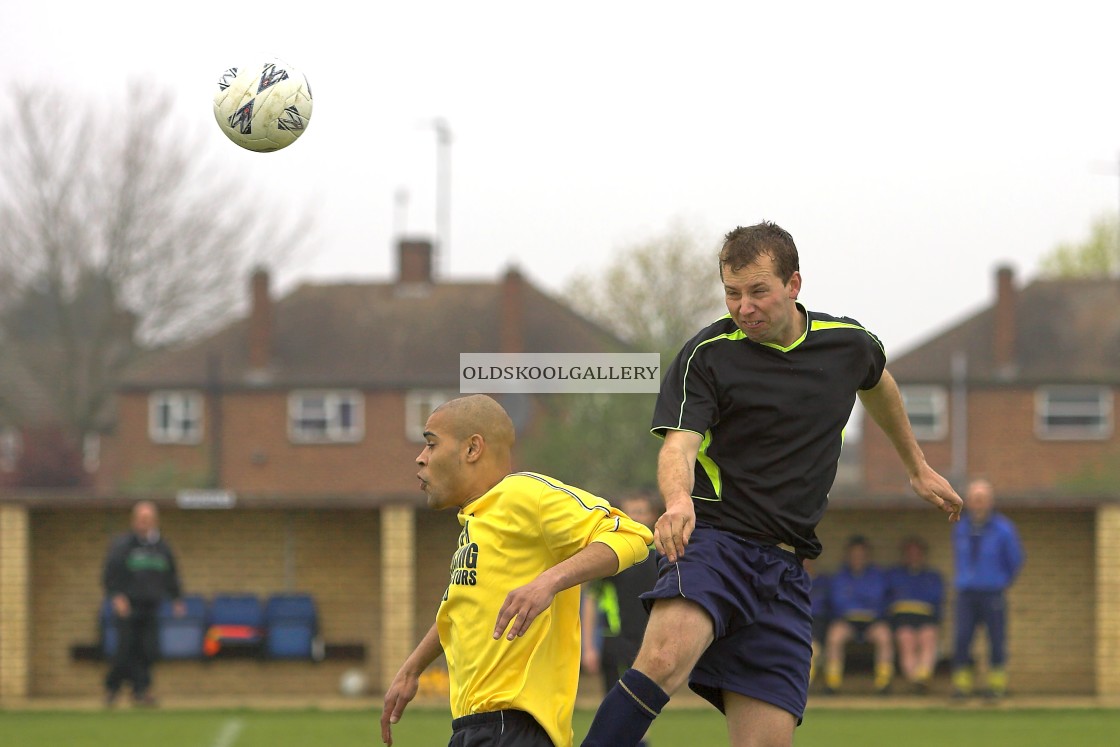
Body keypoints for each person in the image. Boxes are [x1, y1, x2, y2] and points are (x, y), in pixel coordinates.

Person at [580, 221, 963, 747]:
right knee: (663, 658)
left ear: (794, 284)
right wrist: (675, 502)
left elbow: (878, 384)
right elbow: (679, 445)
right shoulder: (708, 355)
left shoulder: (848, 345)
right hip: (713, 540)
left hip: (784, 569)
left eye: (758, 291)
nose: (744, 307)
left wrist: (917, 467)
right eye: (732, 294)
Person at [380, 394, 654, 747]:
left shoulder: (524, 494)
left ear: (472, 449)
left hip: (514, 728)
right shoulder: (475, 522)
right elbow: (456, 612)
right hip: (476, 728)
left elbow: (631, 535)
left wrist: (550, 581)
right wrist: (411, 669)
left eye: (431, 444)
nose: (420, 457)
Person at [581, 492, 659, 745]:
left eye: (642, 510)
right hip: (616, 640)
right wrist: (589, 646)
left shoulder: (662, 553)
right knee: (621, 702)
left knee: (644, 703)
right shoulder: (613, 553)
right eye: (631, 511)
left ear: (653, 516)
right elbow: (592, 600)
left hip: (650, 639)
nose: (637, 516)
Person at [102, 500, 185, 706]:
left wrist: (176, 599)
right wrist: (117, 596)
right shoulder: (123, 545)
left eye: (148, 519)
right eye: (140, 519)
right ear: (134, 520)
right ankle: (112, 689)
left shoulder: (162, 547)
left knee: (147, 650)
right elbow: (110, 574)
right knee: (125, 651)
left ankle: (141, 691)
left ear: (155, 521)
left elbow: (171, 575)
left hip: (151, 606)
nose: (144, 523)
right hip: (128, 607)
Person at [951, 478, 1024, 701]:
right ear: (969, 501)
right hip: (966, 594)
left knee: (996, 640)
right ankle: (962, 688)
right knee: (962, 639)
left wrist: (1000, 581)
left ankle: (996, 687)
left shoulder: (1004, 529)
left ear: (990, 501)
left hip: (993, 593)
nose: (978, 503)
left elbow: (1016, 560)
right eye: (974, 499)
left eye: (982, 499)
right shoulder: (961, 527)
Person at [823, 535, 893, 694]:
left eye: (861, 555)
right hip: (847, 621)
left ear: (867, 556)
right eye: (854, 555)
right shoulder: (840, 576)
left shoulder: (877, 575)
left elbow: (878, 599)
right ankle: (832, 683)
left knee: (884, 636)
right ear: (848, 556)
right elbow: (837, 601)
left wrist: (860, 602)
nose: (858, 558)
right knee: (834, 636)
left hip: (872, 621)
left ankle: (883, 682)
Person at [886, 535, 944, 694]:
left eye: (917, 553)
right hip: (902, 616)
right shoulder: (895, 574)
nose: (913, 557)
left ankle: (923, 677)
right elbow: (889, 600)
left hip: (925, 616)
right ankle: (914, 680)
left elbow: (936, 601)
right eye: (910, 553)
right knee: (907, 639)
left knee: (928, 637)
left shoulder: (932, 577)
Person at [803, 557, 831, 689]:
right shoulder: (788, 580)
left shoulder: (822, 582)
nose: (804, 562)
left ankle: (804, 686)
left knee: (813, 648)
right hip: (795, 620)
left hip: (817, 621)